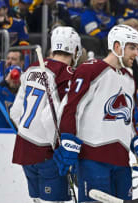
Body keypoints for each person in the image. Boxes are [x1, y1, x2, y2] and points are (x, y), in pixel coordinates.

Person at [56, 24, 138, 202]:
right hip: (93, 159)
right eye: (132, 47)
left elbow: (131, 119)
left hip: (121, 162)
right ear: (117, 47)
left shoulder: (129, 79)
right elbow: (71, 108)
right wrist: (68, 140)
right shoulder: (91, 70)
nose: (136, 53)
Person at [10, 26, 82, 203]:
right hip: (47, 152)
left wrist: (28, 132)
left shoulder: (32, 68)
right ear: (75, 49)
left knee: (37, 200)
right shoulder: (67, 75)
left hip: (24, 147)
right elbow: (50, 118)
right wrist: (61, 148)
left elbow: (15, 111)